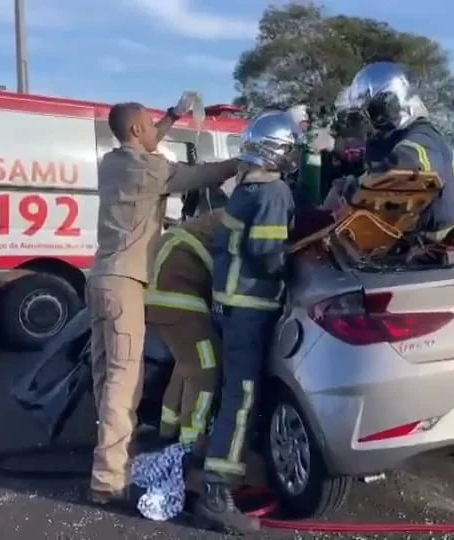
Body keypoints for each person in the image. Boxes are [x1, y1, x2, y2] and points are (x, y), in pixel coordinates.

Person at [86, 95, 239, 506]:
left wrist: (174, 115)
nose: (156, 131)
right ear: (137, 129)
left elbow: (148, 141)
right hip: (125, 284)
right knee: (124, 382)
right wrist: (244, 163)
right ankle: (108, 481)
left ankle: (109, 457)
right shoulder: (150, 170)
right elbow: (201, 174)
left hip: (97, 278)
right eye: (150, 125)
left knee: (104, 379)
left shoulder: (112, 163)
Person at [194, 111, 305, 534]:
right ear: (278, 151)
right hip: (250, 309)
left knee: (232, 398)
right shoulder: (274, 191)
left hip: (228, 307)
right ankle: (216, 494)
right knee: (240, 402)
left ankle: (224, 471)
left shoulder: (244, 187)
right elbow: (267, 253)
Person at [346, 62, 454, 241]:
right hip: (413, 243)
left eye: (373, 113)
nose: (369, 121)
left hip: (431, 245)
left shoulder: (423, 136)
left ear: (391, 105)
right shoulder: (398, 137)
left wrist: (352, 188)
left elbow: (408, 163)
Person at [144, 209, 225, 446]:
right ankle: (192, 440)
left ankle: (168, 428)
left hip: (160, 298)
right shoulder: (232, 222)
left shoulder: (206, 224)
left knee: (187, 363)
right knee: (206, 368)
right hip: (180, 299)